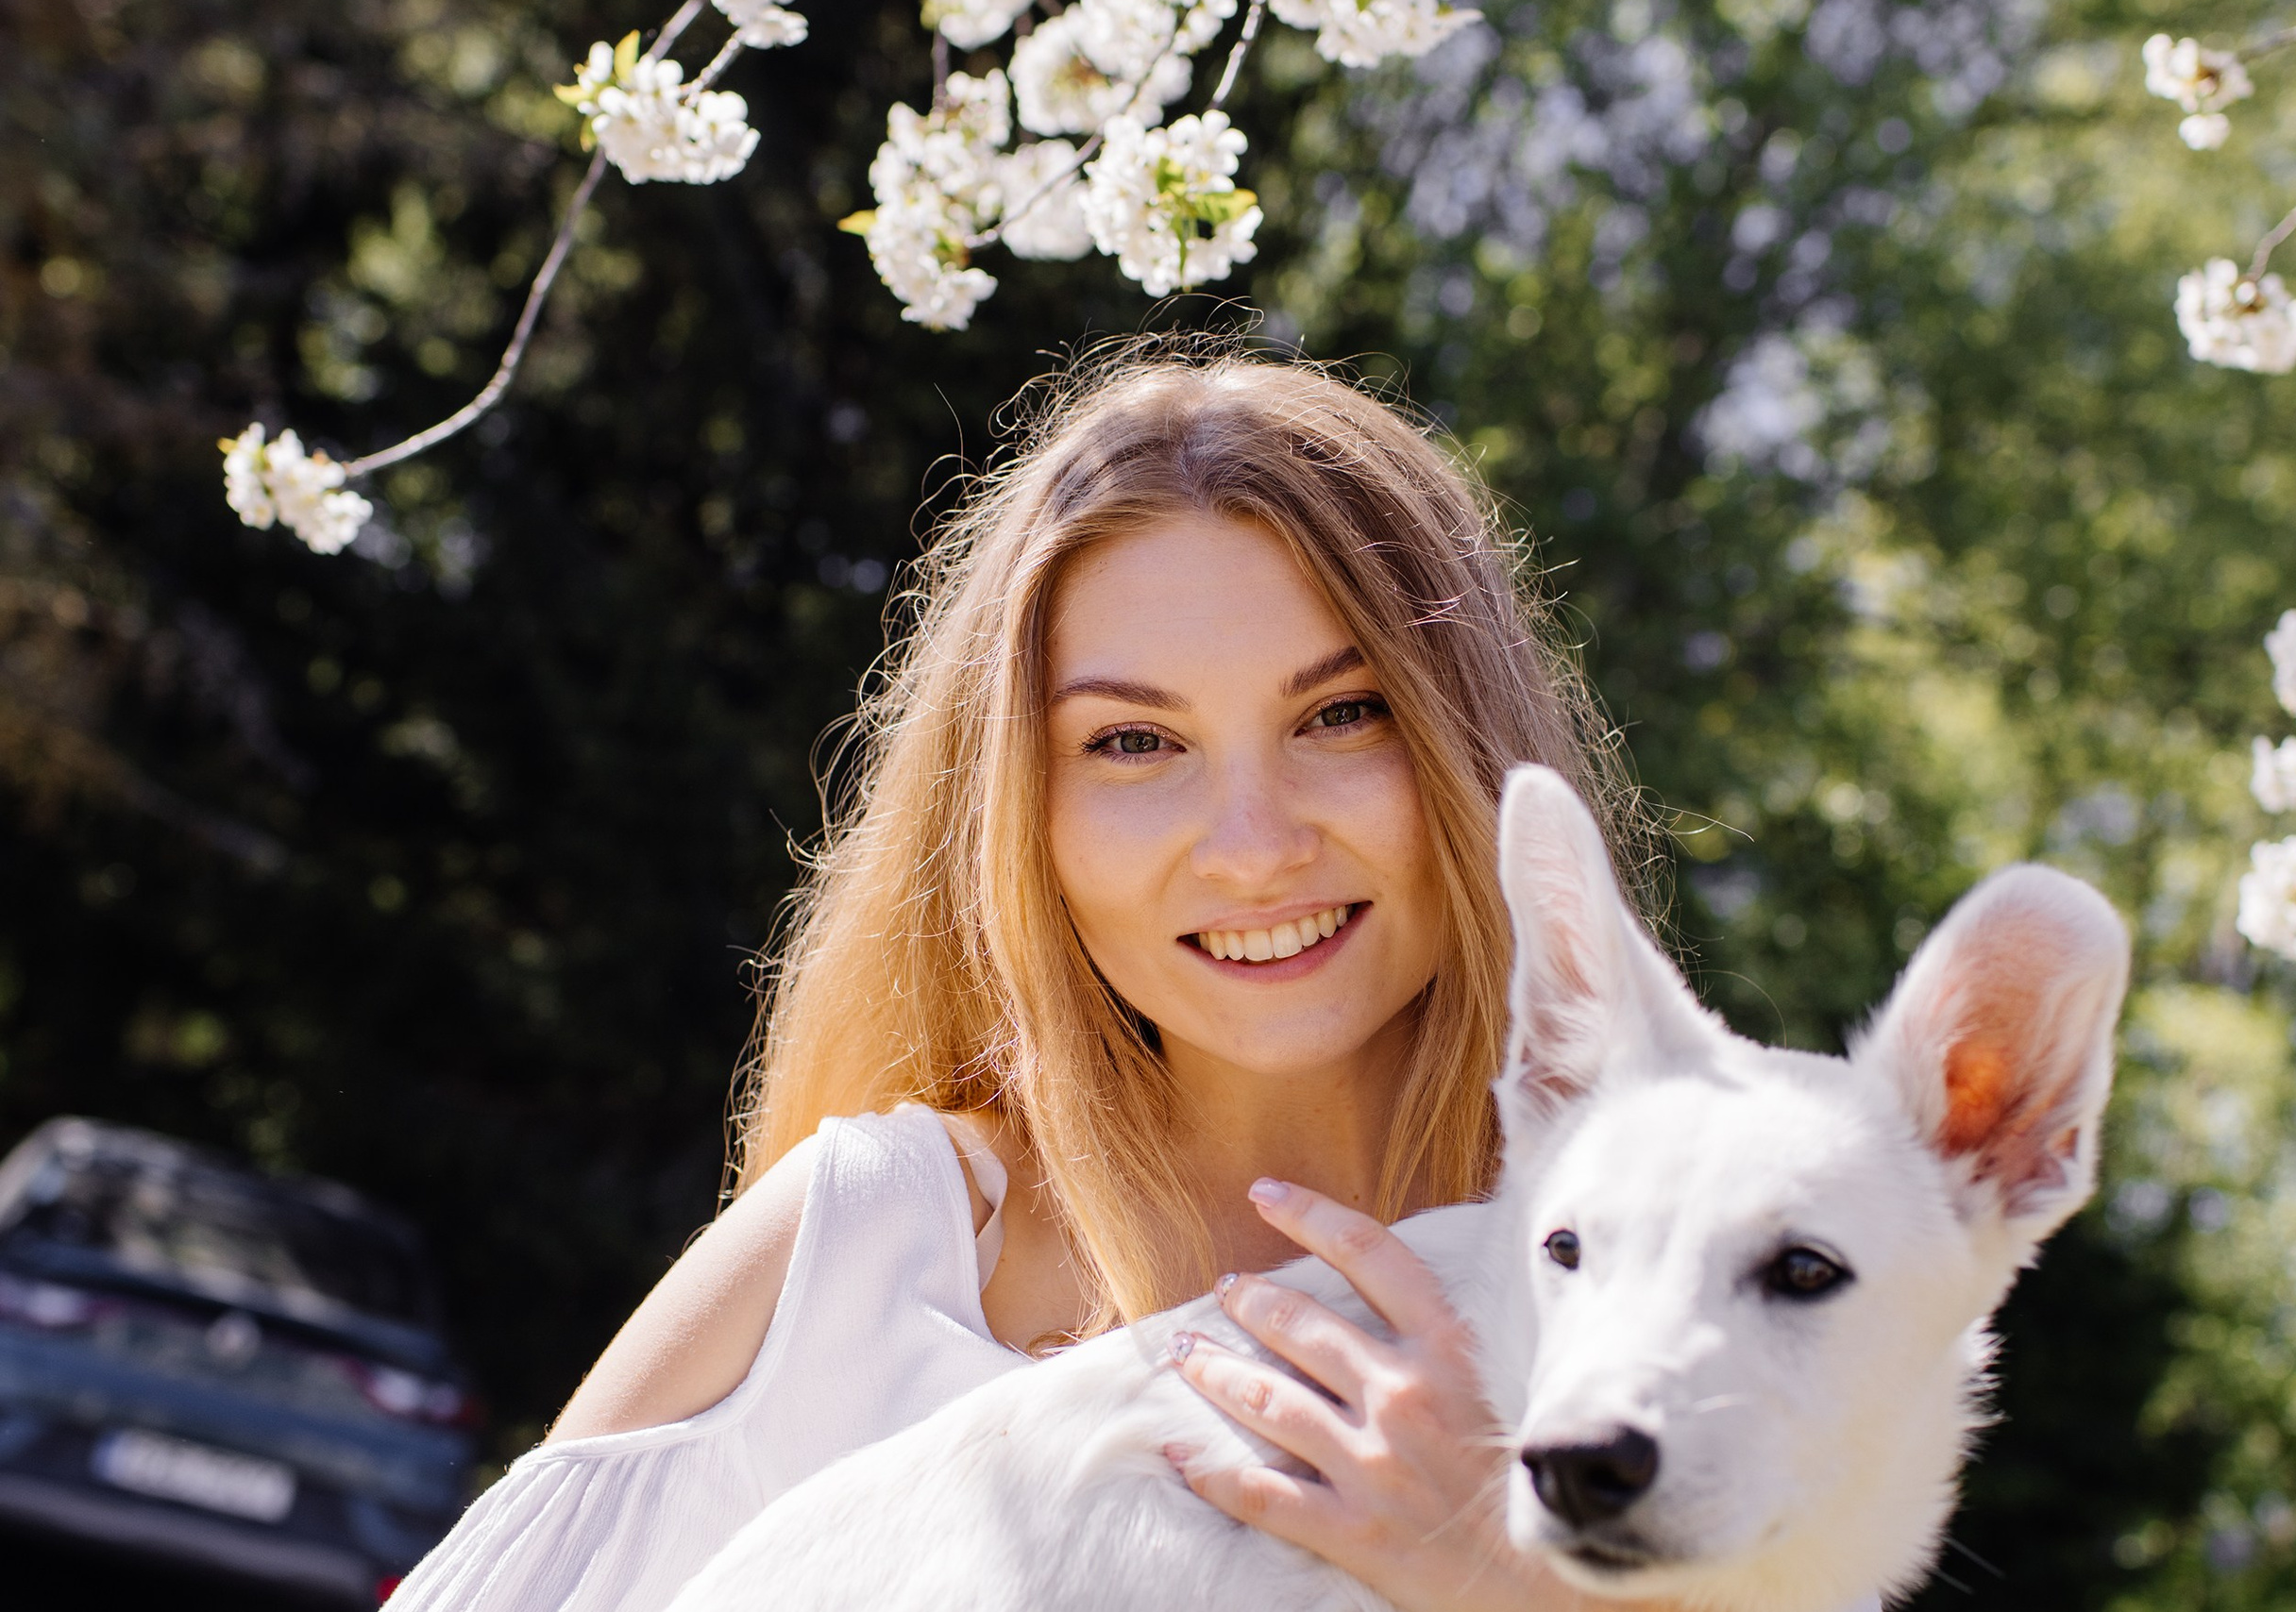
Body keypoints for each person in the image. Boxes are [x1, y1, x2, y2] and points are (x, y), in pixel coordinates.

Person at [392, 345, 1705, 1612]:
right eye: (1134, 741)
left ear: (1466, 746)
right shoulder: (871, 1250)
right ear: (1022, 818)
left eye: (1340, 714)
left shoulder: (1676, 1304)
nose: (1253, 847)